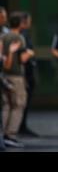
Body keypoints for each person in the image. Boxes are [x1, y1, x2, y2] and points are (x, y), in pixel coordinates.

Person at [1, 12, 34, 148]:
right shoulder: (19, 38)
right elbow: (21, 59)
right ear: (20, 23)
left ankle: (4, 134)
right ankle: (11, 134)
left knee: (6, 105)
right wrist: (30, 53)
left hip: (4, 75)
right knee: (18, 105)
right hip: (16, 75)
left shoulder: (4, 36)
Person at [18, 12, 38, 137]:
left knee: (24, 102)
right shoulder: (21, 36)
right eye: (29, 20)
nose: (30, 23)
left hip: (28, 73)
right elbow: (22, 57)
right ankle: (20, 127)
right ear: (24, 21)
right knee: (21, 103)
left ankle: (22, 126)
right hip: (24, 74)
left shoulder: (25, 35)